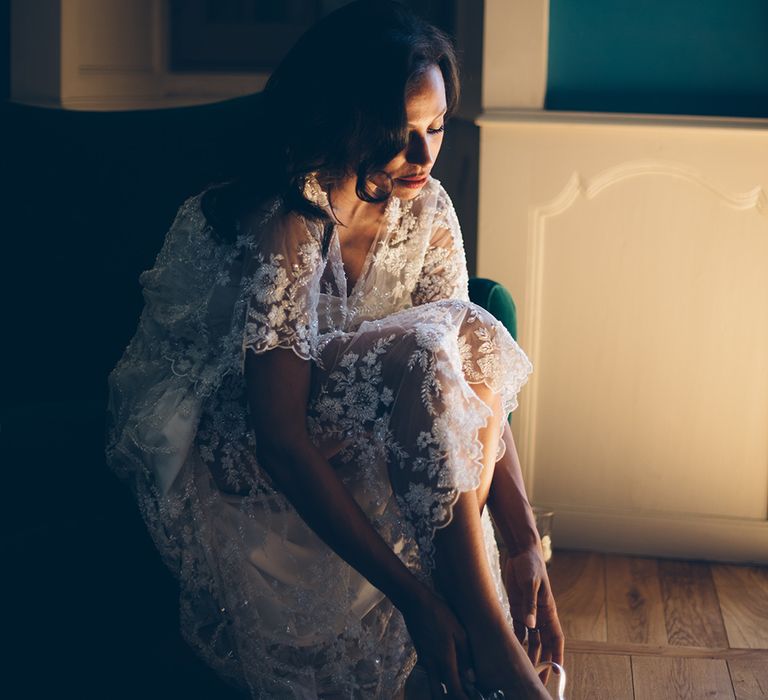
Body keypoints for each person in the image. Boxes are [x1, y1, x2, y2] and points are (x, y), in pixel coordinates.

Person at [105, 1, 564, 698]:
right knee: (426, 342)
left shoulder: (428, 207)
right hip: (241, 436)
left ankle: (487, 635)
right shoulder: (290, 215)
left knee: (455, 330)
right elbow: (280, 436)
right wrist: (413, 598)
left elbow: (467, 363)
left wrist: (525, 539)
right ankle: (492, 647)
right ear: (348, 121)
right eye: (399, 132)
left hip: (364, 409)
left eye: (435, 127)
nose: (422, 155)